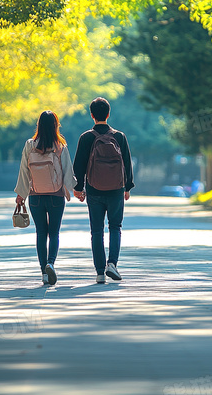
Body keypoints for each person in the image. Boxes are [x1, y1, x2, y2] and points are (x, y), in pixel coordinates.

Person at [73, 97, 134, 284]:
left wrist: (78, 188)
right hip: (116, 189)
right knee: (115, 227)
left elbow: (79, 166)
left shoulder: (86, 137)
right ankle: (112, 264)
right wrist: (127, 186)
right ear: (108, 114)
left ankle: (100, 272)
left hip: (94, 189)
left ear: (92, 115)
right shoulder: (119, 137)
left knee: (97, 230)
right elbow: (127, 163)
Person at [15, 110, 77, 286]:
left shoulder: (30, 145)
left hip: (36, 196)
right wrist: (76, 190)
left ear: (39, 125)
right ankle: (51, 262)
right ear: (56, 126)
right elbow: (67, 172)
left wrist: (21, 194)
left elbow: (24, 171)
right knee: (54, 232)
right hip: (56, 196)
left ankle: (43, 271)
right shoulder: (60, 146)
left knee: (41, 233)